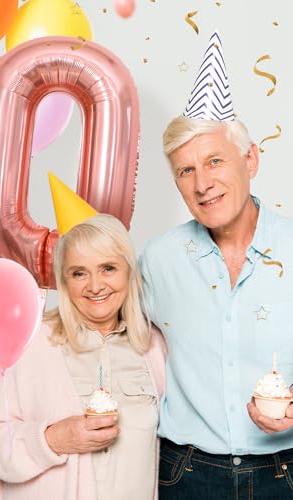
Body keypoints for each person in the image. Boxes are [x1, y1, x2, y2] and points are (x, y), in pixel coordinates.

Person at [139, 31, 293, 499]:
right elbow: (102, 337)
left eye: (214, 161)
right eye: (186, 170)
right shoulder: (158, 261)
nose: (202, 183)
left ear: (251, 159)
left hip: (284, 472)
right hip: (187, 474)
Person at [0, 173, 166, 500]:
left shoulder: (153, 346)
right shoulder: (35, 343)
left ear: (128, 271)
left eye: (108, 268)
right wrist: (52, 440)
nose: (95, 286)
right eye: (79, 273)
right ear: (64, 280)